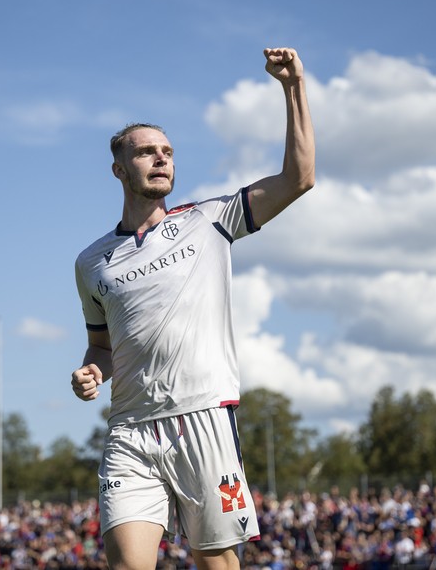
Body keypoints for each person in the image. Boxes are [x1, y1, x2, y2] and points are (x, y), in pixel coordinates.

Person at [71, 47, 315, 570]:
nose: (161, 158)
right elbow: (102, 346)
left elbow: (299, 178)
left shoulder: (211, 220)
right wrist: (93, 370)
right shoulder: (91, 263)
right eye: (146, 152)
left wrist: (293, 86)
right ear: (118, 169)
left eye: (168, 151)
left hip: (203, 418)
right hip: (130, 430)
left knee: (216, 565)